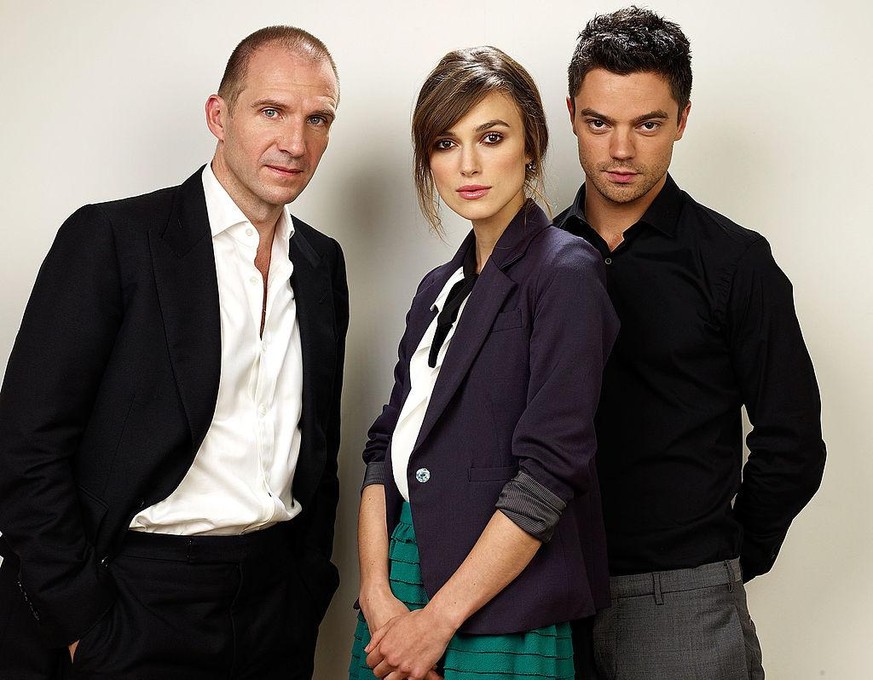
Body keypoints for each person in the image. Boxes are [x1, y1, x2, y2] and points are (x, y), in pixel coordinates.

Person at [0, 25, 348, 680]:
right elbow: (25, 446)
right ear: (219, 116)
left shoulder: (321, 262)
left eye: (317, 118)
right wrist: (82, 624)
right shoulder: (112, 240)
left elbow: (319, 449)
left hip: (274, 608)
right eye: (271, 110)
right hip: (136, 600)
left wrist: (307, 586)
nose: (295, 143)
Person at [556, 7, 827, 679]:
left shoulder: (734, 262)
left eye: (646, 124)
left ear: (680, 120)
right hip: (547, 594)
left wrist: (725, 558)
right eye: (599, 123)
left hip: (682, 599)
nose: (620, 150)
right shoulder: (534, 256)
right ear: (570, 115)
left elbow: (790, 440)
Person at [348, 46, 618, 680]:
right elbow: (385, 446)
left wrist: (436, 623)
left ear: (531, 146)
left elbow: (547, 477)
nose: (466, 164)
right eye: (446, 143)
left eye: (490, 137)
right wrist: (376, 595)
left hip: (497, 603)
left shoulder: (566, 274)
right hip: (396, 587)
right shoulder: (435, 289)